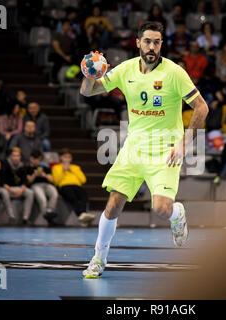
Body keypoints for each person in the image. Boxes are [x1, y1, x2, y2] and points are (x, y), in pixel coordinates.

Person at [79, 21, 209, 278]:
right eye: (147, 41)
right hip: (133, 148)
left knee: (161, 208)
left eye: (157, 42)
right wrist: (89, 74)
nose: (152, 46)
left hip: (165, 150)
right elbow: (88, 92)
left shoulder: (174, 72)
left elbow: (202, 107)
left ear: (161, 44)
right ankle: (98, 259)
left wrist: (184, 143)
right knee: (113, 205)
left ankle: (177, 214)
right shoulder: (125, 69)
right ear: (138, 42)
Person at [51, 149, 94, 225]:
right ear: (61, 158)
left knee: (84, 196)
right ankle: (82, 215)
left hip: (76, 186)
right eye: (65, 157)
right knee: (72, 196)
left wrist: (71, 170)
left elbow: (83, 180)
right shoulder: (56, 167)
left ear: (71, 159)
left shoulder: (75, 167)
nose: (67, 159)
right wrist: (63, 171)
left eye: (69, 157)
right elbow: (56, 181)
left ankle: (83, 215)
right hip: (65, 186)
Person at [0, 147, 34, 225]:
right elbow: (2, 182)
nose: (16, 158)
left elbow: (25, 182)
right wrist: (12, 190)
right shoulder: (5, 164)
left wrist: (21, 190)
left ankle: (25, 218)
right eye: (14, 156)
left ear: (20, 157)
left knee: (30, 192)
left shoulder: (22, 165)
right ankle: (11, 216)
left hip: (18, 188)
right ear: (11, 156)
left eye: (17, 156)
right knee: (4, 193)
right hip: (6, 188)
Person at [25, 150, 58, 226]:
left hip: (46, 184)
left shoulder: (44, 167)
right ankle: (47, 217)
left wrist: (44, 175)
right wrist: (35, 175)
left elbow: (51, 179)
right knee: (42, 199)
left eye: (38, 159)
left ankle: (49, 211)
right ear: (31, 158)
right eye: (35, 159)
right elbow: (28, 181)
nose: (37, 161)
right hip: (35, 185)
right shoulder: (27, 168)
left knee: (54, 193)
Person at [48, 19, 77, 86]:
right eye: (66, 25)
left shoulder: (69, 37)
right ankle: (53, 80)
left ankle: (70, 77)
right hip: (55, 54)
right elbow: (57, 49)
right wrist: (65, 57)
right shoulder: (56, 35)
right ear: (62, 26)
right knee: (58, 60)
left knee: (77, 61)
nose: (68, 27)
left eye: (69, 25)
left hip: (66, 55)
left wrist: (69, 56)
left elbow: (72, 49)